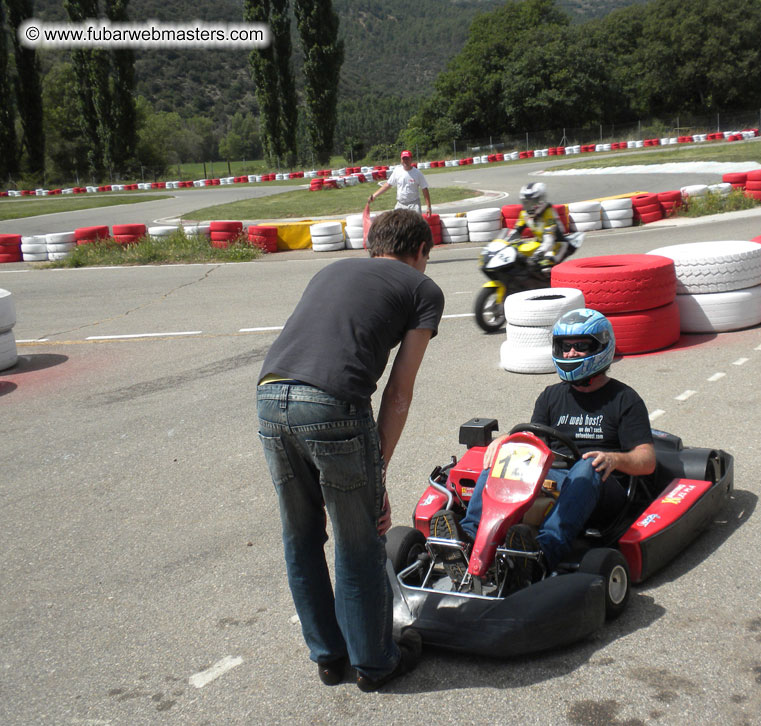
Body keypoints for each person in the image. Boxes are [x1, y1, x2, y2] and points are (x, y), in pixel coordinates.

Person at [256, 209, 444, 691]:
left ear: (372, 245)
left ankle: (328, 655)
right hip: (332, 403)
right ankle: (375, 662)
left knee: (301, 536)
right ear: (420, 251)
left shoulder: (331, 269)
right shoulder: (423, 289)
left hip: (270, 397)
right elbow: (399, 392)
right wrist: (376, 474)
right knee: (359, 541)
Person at [430, 308, 656, 588]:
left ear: (601, 347)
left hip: (603, 487)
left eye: (581, 346)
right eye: (565, 347)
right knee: (505, 458)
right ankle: (467, 541)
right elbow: (533, 439)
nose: (571, 354)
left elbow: (647, 460)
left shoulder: (624, 399)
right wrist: (506, 441)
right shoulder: (551, 396)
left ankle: (543, 554)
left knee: (587, 466)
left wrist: (614, 459)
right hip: (556, 476)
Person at [509, 182, 574, 272]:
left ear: (541, 199)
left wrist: (539, 253)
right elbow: (516, 231)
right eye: (526, 202)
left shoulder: (549, 213)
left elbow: (549, 237)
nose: (529, 206)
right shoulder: (524, 213)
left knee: (546, 265)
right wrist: (505, 243)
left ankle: (553, 279)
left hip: (557, 245)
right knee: (518, 255)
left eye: (533, 202)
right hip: (539, 243)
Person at [368, 150, 432, 214]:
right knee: (395, 220)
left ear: (411, 159)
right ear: (401, 160)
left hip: (414, 205)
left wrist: (428, 207)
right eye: (403, 159)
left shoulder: (417, 173)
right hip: (400, 204)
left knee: (415, 221)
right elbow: (387, 185)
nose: (405, 161)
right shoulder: (397, 171)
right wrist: (374, 195)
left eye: (407, 159)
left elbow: (424, 189)